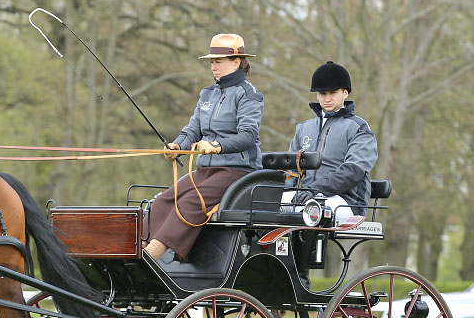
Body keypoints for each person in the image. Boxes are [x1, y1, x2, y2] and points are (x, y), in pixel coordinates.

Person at [143, 33, 264, 263]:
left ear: (236, 62)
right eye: (211, 62)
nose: (213, 67)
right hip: (206, 171)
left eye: (218, 62)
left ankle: (149, 261)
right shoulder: (207, 94)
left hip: (237, 171)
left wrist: (217, 146)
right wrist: (178, 145)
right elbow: (192, 131)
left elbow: (248, 136)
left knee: (189, 203)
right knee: (164, 201)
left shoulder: (249, 95)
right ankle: (134, 254)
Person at [284, 61, 378, 222]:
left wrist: (315, 189)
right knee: (267, 206)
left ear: (345, 93)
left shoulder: (359, 128)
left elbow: (353, 171)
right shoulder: (303, 129)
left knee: (310, 211)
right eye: (322, 93)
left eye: (332, 93)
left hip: (347, 202)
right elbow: (290, 170)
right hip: (307, 196)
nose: (327, 98)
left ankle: (312, 248)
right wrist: (282, 193)